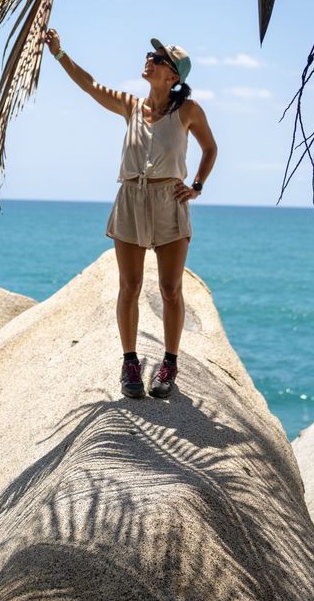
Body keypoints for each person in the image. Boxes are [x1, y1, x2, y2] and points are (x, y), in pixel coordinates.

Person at [44, 28, 218, 400]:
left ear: (173, 76)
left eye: (157, 59)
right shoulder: (130, 106)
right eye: (150, 56)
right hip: (130, 199)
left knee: (171, 289)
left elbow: (210, 148)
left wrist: (197, 186)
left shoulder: (188, 110)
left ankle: (169, 363)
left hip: (169, 201)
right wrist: (59, 53)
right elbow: (90, 85)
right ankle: (130, 363)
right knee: (130, 286)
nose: (149, 60)